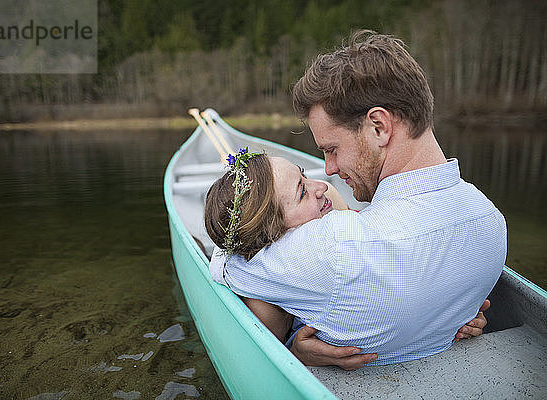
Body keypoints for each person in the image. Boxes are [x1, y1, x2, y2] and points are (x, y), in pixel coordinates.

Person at [206, 30, 506, 368]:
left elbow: (231, 254)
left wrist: (293, 349)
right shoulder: (491, 221)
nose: (329, 170)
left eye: (331, 150)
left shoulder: (332, 247)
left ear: (378, 127)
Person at [205, 150, 493, 366]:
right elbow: (267, 360)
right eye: (302, 191)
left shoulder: (337, 224)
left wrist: (455, 306)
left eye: (304, 174)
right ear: (273, 234)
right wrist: (296, 353)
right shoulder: (264, 298)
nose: (321, 184)